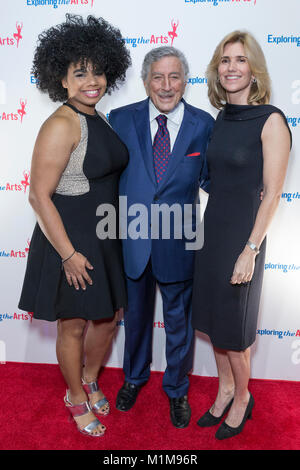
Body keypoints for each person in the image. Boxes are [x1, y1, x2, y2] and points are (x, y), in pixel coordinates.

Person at [18, 14, 131, 437]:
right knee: (74, 323)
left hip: (104, 236)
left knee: (106, 319)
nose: (92, 80)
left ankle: (89, 377)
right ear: (61, 80)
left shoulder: (98, 117)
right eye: (79, 72)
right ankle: (75, 396)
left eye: (98, 70)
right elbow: (38, 195)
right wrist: (68, 254)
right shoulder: (62, 123)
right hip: (71, 239)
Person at [192, 30, 291, 440]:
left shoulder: (271, 120)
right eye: (225, 60)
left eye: (240, 60)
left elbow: (272, 194)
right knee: (216, 323)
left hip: (244, 238)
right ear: (218, 70)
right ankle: (225, 388)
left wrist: (251, 249)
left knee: (234, 329)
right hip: (213, 232)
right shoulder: (220, 117)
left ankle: (243, 397)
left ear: (254, 70)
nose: (232, 67)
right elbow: (216, 179)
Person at [109, 46, 214, 428]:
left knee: (178, 325)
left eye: (174, 77)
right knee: (135, 319)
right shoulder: (119, 119)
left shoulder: (204, 124)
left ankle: (177, 388)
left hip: (180, 244)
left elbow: (211, 180)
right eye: (158, 77)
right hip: (132, 240)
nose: (166, 86)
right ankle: (134, 379)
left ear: (186, 80)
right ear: (146, 81)